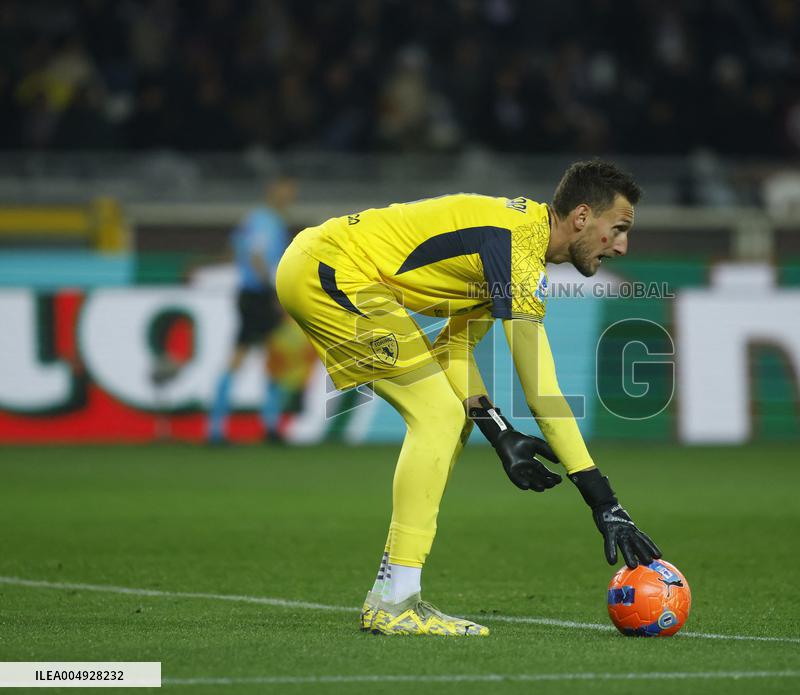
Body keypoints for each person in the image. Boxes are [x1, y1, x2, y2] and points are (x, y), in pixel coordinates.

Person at [275, 160, 660, 636]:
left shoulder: (513, 244)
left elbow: (453, 348)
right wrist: (602, 499)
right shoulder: (516, 247)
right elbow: (542, 393)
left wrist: (498, 433)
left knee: (446, 416)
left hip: (325, 266)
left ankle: (394, 593)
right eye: (618, 229)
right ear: (582, 217)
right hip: (330, 270)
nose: (622, 246)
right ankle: (394, 602)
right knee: (437, 415)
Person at [208, 176, 297, 443]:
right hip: (258, 295)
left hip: (253, 293)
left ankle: (265, 426)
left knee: (272, 357)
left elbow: (235, 247)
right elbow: (257, 255)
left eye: (291, 192)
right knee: (250, 357)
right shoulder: (266, 221)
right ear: (272, 191)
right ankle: (219, 430)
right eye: (284, 191)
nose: (288, 197)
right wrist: (271, 291)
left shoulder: (256, 219)